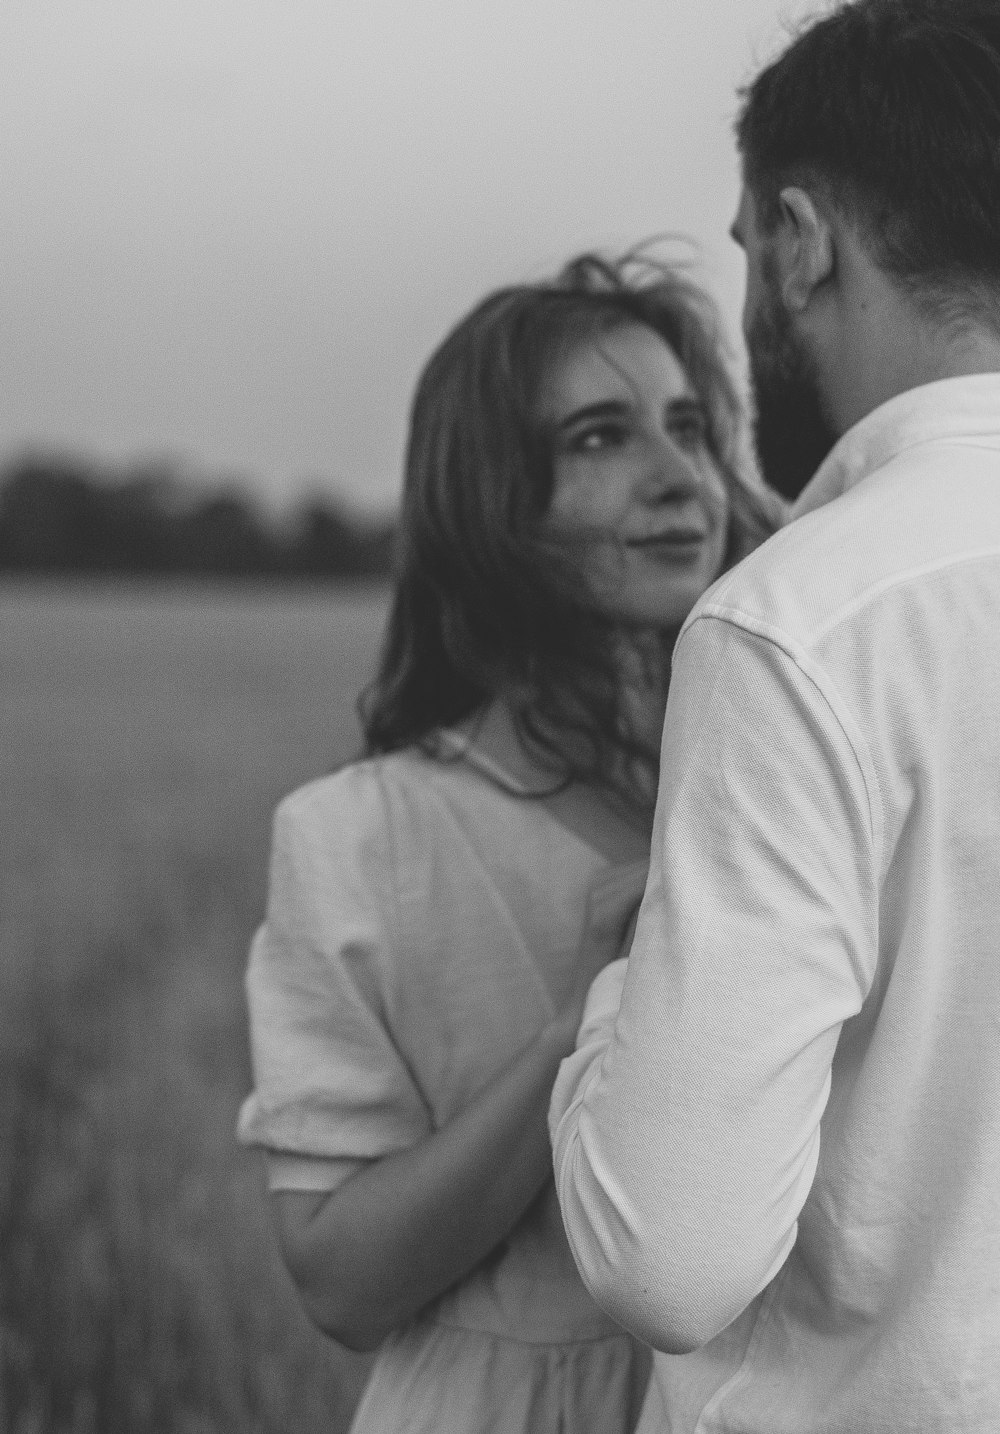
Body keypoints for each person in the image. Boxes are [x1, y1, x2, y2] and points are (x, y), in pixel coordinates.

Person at [549, 3, 1000, 1431]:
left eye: (752, 254)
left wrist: (632, 976)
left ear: (802, 237)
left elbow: (667, 1259)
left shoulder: (797, 618)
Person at [237, 249, 779, 1434]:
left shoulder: (754, 788)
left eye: (686, 426)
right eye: (599, 437)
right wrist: (585, 1016)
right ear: (489, 497)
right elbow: (338, 1279)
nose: (679, 477)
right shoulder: (362, 838)